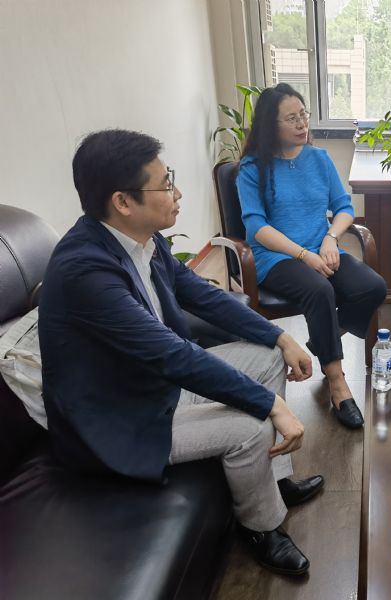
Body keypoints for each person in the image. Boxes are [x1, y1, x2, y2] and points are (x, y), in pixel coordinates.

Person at [38, 129, 321, 577]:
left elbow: (204, 297)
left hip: (155, 387)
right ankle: (261, 527)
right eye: (166, 184)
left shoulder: (142, 239)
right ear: (123, 201)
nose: (178, 193)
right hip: (122, 420)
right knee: (251, 423)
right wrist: (272, 405)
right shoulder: (84, 271)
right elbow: (171, 354)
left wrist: (279, 337)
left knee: (268, 355)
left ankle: (273, 480)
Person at [237, 83, 387, 429]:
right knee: (320, 290)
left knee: (373, 287)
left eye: (303, 114)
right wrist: (304, 255)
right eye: (291, 118)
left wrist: (331, 238)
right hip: (276, 256)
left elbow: (344, 207)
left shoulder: (319, 159)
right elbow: (256, 227)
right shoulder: (252, 168)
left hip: (321, 249)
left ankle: (322, 338)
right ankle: (338, 384)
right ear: (270, 125)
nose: (302, 123)